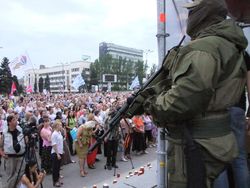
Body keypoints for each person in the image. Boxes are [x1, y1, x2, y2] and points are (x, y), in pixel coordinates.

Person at [141, 0, 248, 187]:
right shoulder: (229, 43)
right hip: (219, 132)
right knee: (230, 167)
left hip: (202, 140)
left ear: (204, 15)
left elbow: (182, 101)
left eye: (192, 13)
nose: (189, 18)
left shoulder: (203, 49)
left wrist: (151, 104)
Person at [214, 54, 250, 187]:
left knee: (218, 160)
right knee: (240, 158)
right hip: (238, 109)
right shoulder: (242, 53)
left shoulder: (214, 48)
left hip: (216, 110)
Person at [0, 114, 26, 188]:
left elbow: (25, 140)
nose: (16, 121)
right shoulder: (4, 132)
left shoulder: (20, 129)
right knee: (11, 175)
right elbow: (0, 146)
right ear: (9, 122)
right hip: (10, 157)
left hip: (21, 156)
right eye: (14, 120)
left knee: (20, 173)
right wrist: (2, 153)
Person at [51, 121, 64, 187]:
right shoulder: (54, 134)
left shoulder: (59, 132)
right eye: (60, 125)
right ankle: (55, 181)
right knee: (55, 168)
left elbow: (60, 142)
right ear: (57, 126)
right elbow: (54, 144)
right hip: (55, 153)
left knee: (58, 167)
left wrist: (62, 151)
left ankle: (58, 179)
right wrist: (57, 154)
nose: (61, 126)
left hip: (60, 152)